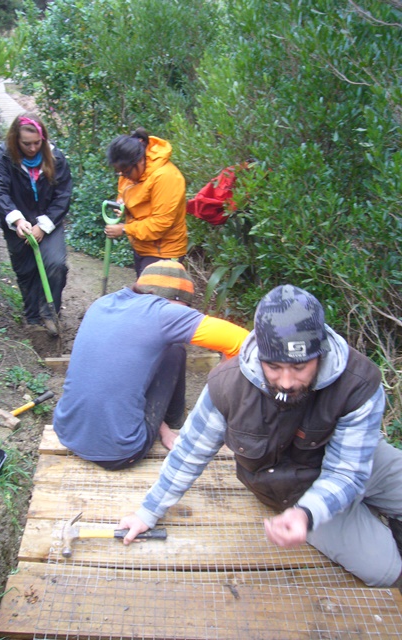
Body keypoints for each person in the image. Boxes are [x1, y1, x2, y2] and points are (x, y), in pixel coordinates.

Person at [119, 284, 402, 589]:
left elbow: (347, 471)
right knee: (384, 570)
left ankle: (374, 512)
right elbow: (190, 452)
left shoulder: (359, 382)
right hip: (296, 490)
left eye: (299, 367)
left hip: (354, 458)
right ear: (260, 356)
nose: (286, 381)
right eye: (274, 366)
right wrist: (148, 512)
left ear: (320, 353)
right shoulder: (228, 386)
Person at [53, 260, 249, 470]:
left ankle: (165, 428)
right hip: (120, 452)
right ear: (176, 300)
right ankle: (176, 423)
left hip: (67, 433)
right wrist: (221, 381)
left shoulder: (102, 303)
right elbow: (246, 343)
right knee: (175, 350)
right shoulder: (165, 313)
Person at [0, 113, 72, 336]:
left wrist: (43, 226)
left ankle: (50, 313)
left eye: (37, 143)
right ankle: (32, 318)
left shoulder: (56, 158)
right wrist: (17, 220)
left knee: (56, 265)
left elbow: (63, 195)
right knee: (26, 270)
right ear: (15, 139)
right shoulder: (3, 157)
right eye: (27, 144)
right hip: (17, 223)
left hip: (49, 221)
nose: (33, 148)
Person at [105, 127, 187, 277]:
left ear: (140, 160)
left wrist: (125, 229)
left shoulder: (166, 177)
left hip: (164, 252)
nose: (124, 176)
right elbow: (125, 191)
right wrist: (122, 205)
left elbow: (160, 223)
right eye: (120, 173)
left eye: (126, 172)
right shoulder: (129, 171)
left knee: (151, 291)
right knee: (143, 290)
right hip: (142, 247)